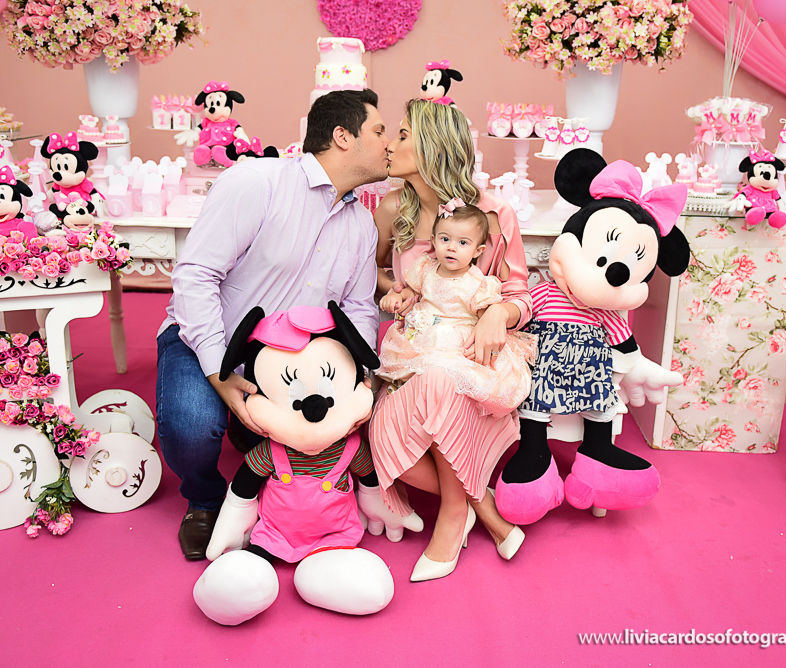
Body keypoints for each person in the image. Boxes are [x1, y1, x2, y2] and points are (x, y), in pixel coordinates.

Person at [157, 90, 399, 560]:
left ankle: (256, 481)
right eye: (378, 131)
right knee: (193, 427)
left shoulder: (362, 224)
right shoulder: (256, 182)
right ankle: (204, 500)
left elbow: (358, 308)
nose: (387, 143)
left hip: (290, 365)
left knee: (307, 439)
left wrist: (361, 375)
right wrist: (218, 371)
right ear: (343, 136)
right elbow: (195, 276)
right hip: (209, 337)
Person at [369, 99, 534, 582]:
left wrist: (497, 313)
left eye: (402, 135)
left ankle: (452, 517)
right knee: (384, 444)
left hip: (470, 356)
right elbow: (372, 272)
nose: (390, 144)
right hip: (413, 351)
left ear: (433, 147)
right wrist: (401, 292)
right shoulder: (392, 208)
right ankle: (481, 507)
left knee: (442, 380)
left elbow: (519, 293)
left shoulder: (493, 214)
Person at [377, 201, 536, 417]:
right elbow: (410, 292)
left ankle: (442, 408)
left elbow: (483, 318)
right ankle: (408, 393)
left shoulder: (477, 283)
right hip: (420, 336)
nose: (452, 247)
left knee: (446, 372)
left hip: (453, 340)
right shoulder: (426, 269)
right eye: (445, 239)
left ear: (478, 250)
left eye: (462, 242)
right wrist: (396, 296)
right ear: (433, 241)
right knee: (411, 367)